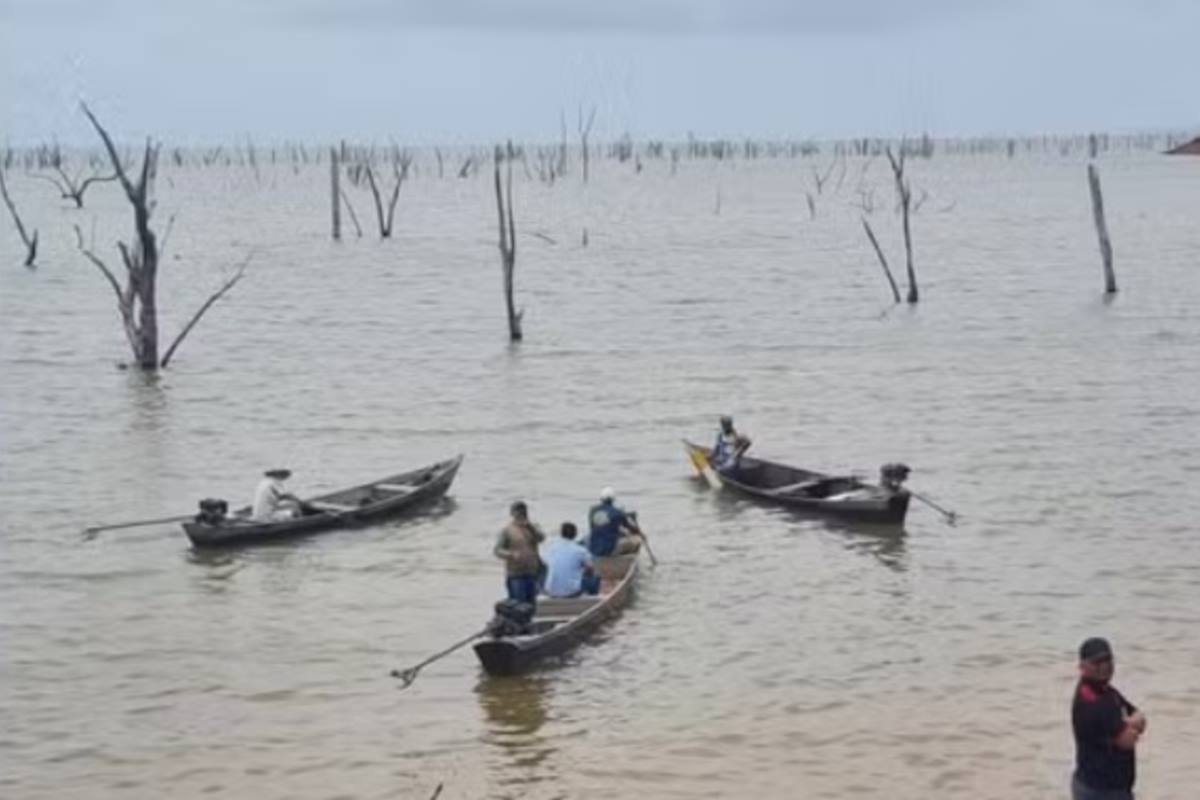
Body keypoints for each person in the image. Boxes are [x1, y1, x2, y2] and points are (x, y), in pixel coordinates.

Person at [1071, 637, 1146, 800]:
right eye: (1097, 662)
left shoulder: (1107, 691)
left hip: (1110, 787)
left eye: (1108, 660)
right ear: (1082, 666)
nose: (1104, 666)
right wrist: (1130, 725)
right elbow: (1128, 740)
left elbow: (1140, 716)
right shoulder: (1090, 701)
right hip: (1098, 791)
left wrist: (1127, 724)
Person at [493, 501, 545, 606]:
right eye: (518, 512)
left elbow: (541, 538)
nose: (521, 515)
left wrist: (530, 527)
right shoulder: (507, 531)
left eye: (523, 512)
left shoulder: (533, 528)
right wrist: (511, 554)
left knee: (531, 605)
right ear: (512, 513)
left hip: (532, 573)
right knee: (518, 605)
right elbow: (497, 550)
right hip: (515, 574)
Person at [542, 522, 601, 598]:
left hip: (551, 591)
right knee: (595, 577)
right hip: (571, 592)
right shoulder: (580, 550)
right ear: (575, 534)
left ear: (561, 534)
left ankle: (544, 590)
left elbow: (545, 563)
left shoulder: (551, 548)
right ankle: (592, 599)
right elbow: (590, 569)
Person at [587, 487, 641, 557]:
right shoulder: (618, 513)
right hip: (609, 549)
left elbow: (593, 527)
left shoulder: (592, 510)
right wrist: (639, 532)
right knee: (637, 540)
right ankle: (625, 559)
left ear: (601, 499)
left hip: (593, 548)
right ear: (613, 500)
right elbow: (631, 529)